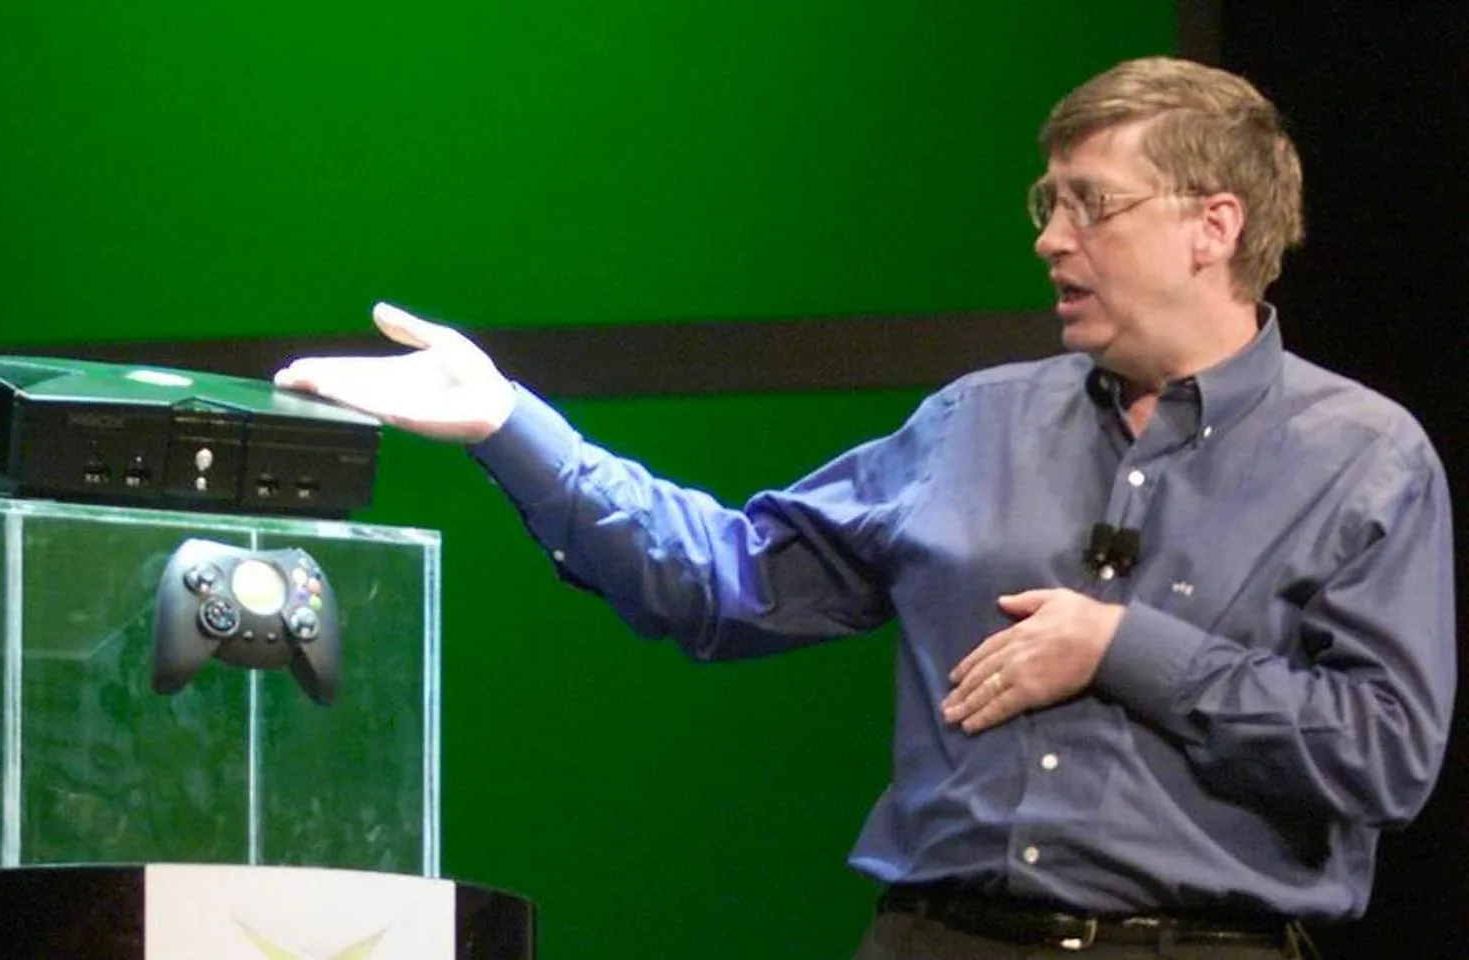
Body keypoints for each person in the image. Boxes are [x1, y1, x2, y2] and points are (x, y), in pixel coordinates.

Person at [274, 56, 1456, 960]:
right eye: (1047, 202)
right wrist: (508, 423)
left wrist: (1122, 648)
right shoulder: (972, 424)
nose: (1050, 238)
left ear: (1215, 226)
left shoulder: (1360, 458)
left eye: (1091, 204)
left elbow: (1385, 755)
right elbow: (728, 581)